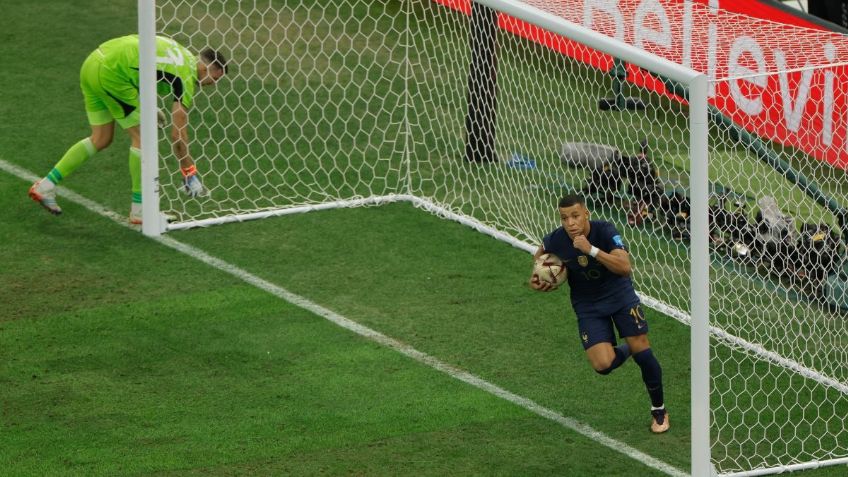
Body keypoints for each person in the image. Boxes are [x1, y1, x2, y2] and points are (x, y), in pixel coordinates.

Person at [28, 34, 228, 224]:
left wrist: (145, 107)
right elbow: (178, 135)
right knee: (144, 140)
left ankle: (45, 186)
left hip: (93, 63)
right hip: (112, 74)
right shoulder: (186, 77)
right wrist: (188, 171)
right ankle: (140, 210)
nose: (213, 85)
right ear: (205, 69)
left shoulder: (180, 53)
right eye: (216, 79)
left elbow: (142, 67)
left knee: (101, 138)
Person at [530, 193, 669, 433]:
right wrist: (539, 279)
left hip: (619, 296)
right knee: (602, 365)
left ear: (586, 214)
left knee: (644, 353)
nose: (570, 223)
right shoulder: (556, 239)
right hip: (588, 305)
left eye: (575, 216)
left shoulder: (605, 231)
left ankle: (659, 410)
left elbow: (625, 267)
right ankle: (628, 350)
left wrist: (591, 250)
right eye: (565, 218)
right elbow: (540, 257)